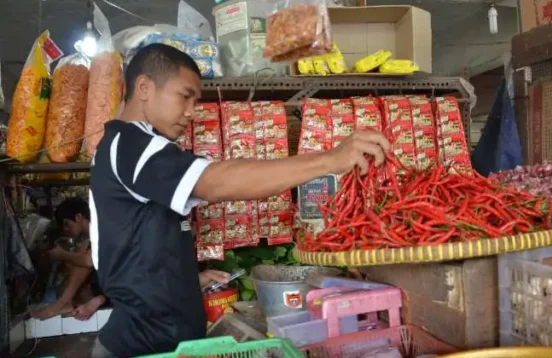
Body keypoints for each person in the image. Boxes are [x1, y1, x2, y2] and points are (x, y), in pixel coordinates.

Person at [89, 43, 391, 358]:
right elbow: (214, 182)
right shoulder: (132, 143)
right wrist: (330, 160)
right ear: (144, 87)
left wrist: (181, 279)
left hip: (158, 342)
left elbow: (132, 240)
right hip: (139, 348)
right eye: (185, 96)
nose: (191, 112)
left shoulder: (128, 147)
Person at [31, 197, 107, 321]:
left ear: (78, 217)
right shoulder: (89, 237)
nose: (66, 230)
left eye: (67, 224)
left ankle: (65, 303)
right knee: (75, 264)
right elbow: (80, 259)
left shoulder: (100, 229)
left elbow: (89, 261)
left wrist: (63, 255)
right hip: (111, 282)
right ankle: (68, 302)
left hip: (123, 281)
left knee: (82, 263)